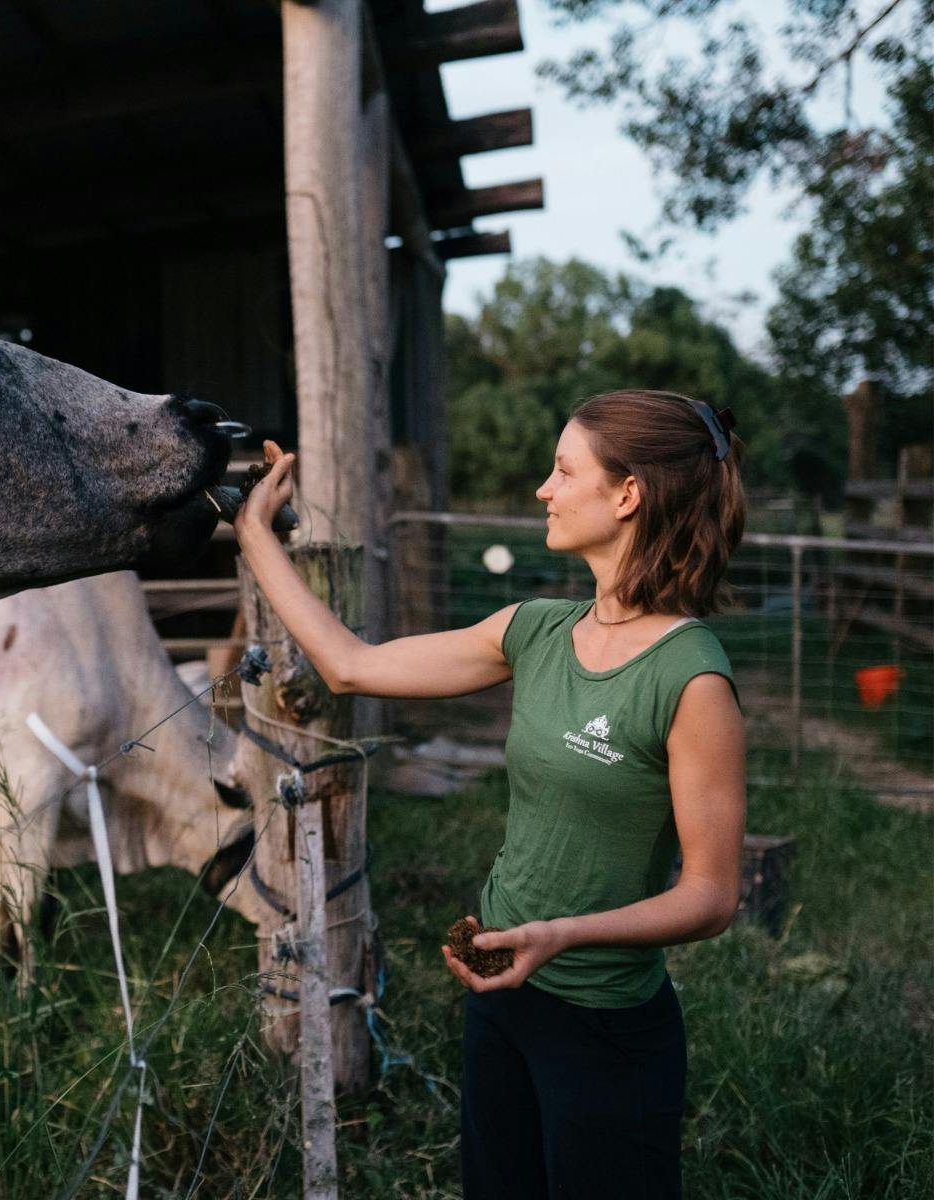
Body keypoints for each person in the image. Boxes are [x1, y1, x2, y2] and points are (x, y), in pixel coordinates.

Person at [233, 390, 747, 1199]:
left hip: (607, 1027)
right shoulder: (535, 629)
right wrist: (254, 534)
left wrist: (562, 935)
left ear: (627, 495)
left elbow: (713, 896)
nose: (543, 489)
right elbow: (349, 665)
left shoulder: (692, 678)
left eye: (562, 469)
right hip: (501, 995)